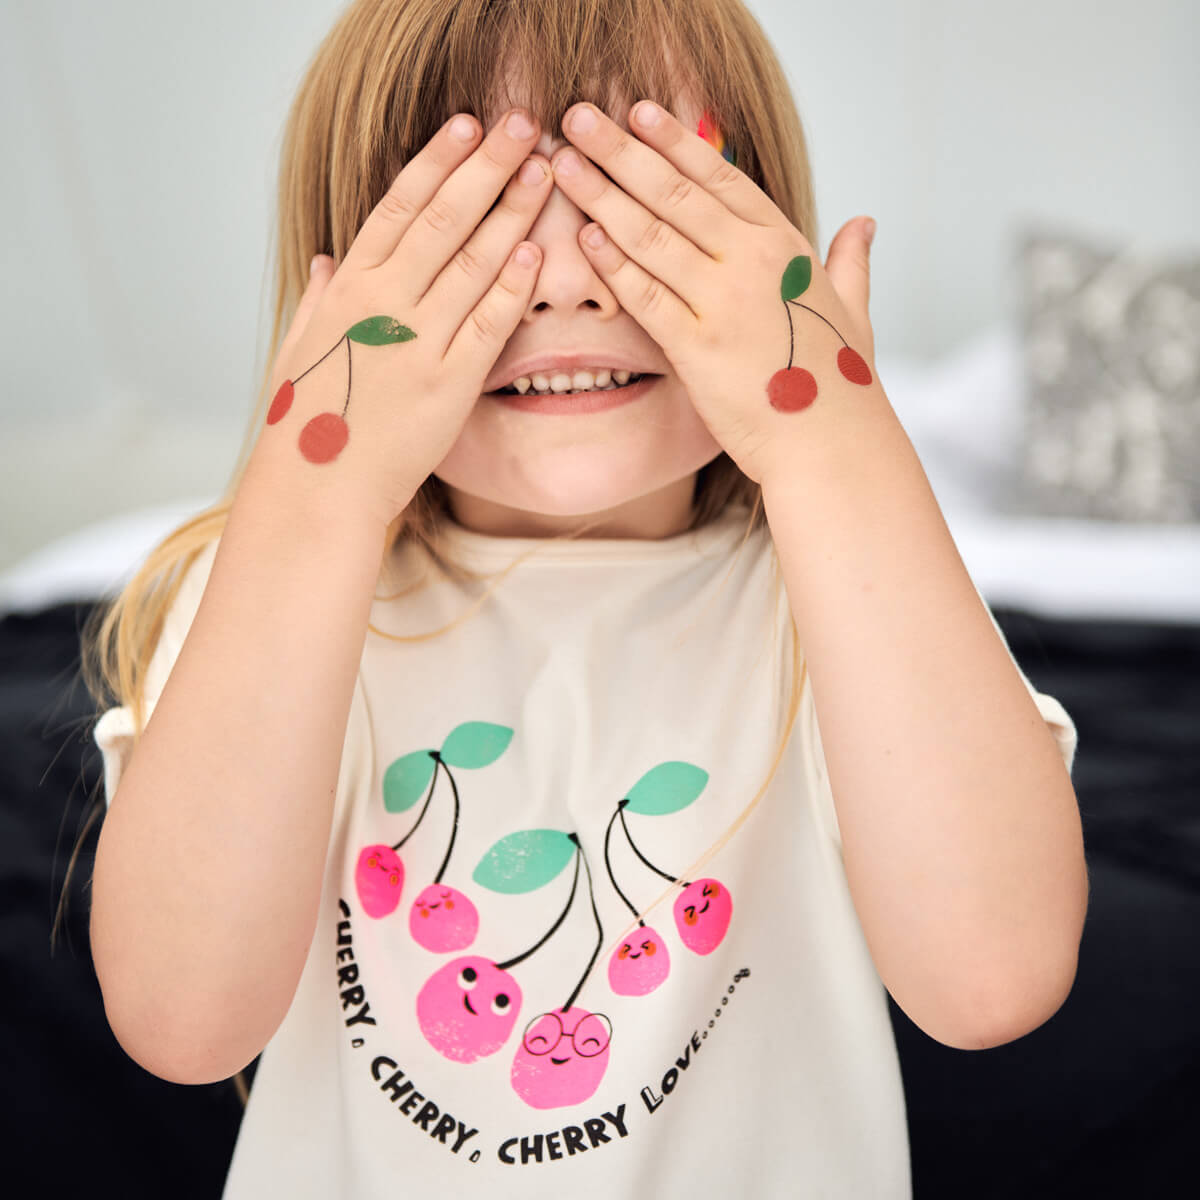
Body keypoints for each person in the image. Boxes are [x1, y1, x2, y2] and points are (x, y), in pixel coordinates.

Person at [77, 0, 1088, 1195]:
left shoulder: (846, 594)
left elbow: (994, 981)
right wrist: (317, 489)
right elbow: (183, 1022)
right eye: (481, 221)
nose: (563, 284)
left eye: (637, 206)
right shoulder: (267, 595)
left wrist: (836, 440)